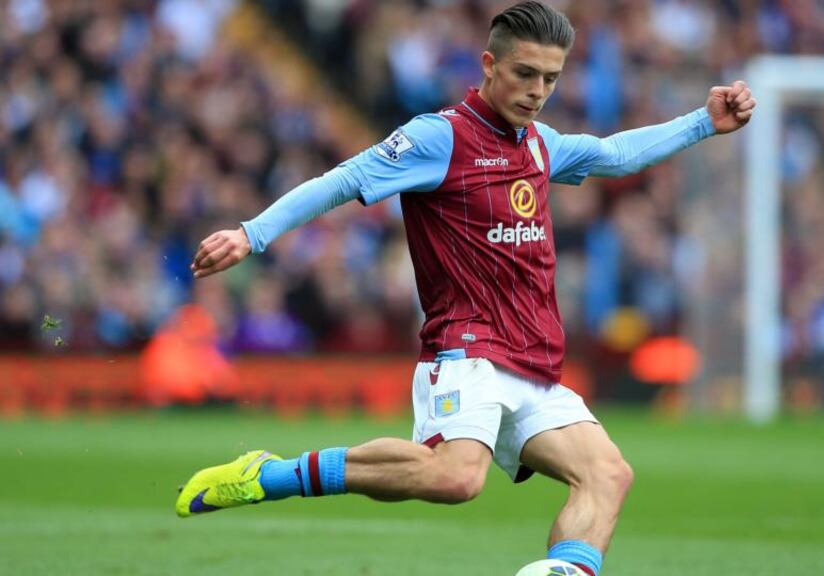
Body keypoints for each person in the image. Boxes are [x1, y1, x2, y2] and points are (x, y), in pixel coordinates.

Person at [175, 2, 755, 574]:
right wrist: (252, 234)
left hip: (533, 359)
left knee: (607, 474)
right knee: (455, 477)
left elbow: (615, 155)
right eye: (525, 73)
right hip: (466, 350)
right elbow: (344, 180)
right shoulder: (439, 137)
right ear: (489, 65)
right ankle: (270, 475)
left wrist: (703, 123)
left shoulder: (538, 144)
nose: (537, 90)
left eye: (550, 78)